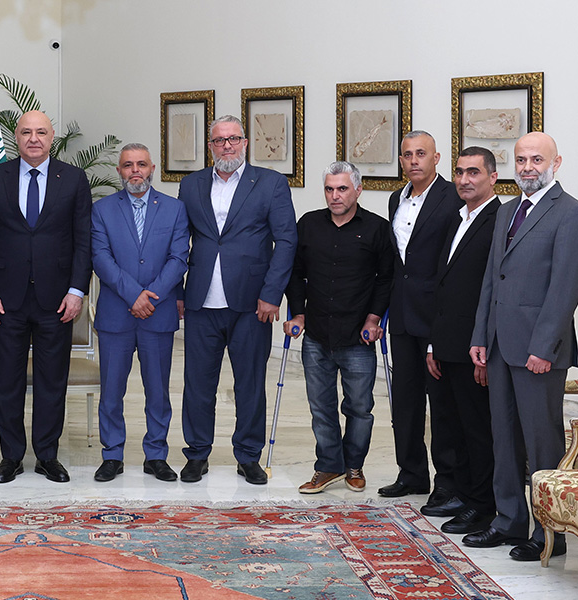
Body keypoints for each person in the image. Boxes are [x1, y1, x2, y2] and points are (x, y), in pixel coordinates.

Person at [466, 132, 578, 561]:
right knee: (504, 439)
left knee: (540, 441)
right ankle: (509, 520)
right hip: (499, 346)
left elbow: (565, 288)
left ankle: (549, 532)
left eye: (537, 159)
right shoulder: (507, 211)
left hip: (538, 351)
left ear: (556, 163)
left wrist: (544, 347)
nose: (528, 167)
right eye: (521, 160)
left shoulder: (568, 212)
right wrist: (480, 336)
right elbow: (491, 280)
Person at [176, 115, 297, 485]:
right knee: (198, 385)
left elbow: (286, 241)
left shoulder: (271, 183)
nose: (226, 146)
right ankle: (197, 453)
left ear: (245, 142)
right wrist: (178, 292)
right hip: (201, 302)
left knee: (249, 384)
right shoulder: (191, 184)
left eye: (233, 139)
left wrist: (271, 294)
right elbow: (178, 242)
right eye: (219, 140)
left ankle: (248, 456)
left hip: (252, 303)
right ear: (210, 146)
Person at [0, 110, 92, 484]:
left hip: (56, 299)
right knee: (7, 381)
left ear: (51, 137)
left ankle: (47, 455)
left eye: (41, 132)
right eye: (26, 132)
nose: (34, 139)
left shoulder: (73, 179)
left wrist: (76, 290)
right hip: (5, 298)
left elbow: (83, 240)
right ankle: (11, 456)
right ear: (17, 137)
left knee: (51, 381)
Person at [285, 161, 393, 494]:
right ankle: (329, 465)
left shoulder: (376, 228)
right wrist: (298, 314)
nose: (335, 196)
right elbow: (295, 273)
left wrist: (374, 319)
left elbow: (386, 278)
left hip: (357, 336)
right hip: (317, 333)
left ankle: (354, 465)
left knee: (359, 408)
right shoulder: (309, 224)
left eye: (342, 189)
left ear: (358, 190)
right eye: (329, 189)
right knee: (321, 407)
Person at [89, 143, 188, 483]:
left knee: (157, 391)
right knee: (111, 391)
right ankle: (112, 455)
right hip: (116, 314)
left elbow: (179, 259)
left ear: (152, 169)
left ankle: (156, 455)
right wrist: (134, 295)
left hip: (157, 315)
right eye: (128, 165)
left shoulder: (174, 209)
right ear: (119, 171)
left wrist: (151, 297)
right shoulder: (102, 209)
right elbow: (101, 258)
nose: (135, 171)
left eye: (141, 164)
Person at [379, 131, 462, 511]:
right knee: (405, 401)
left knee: (442, 404)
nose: (414, 161)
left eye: (421, 154)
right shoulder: (396, 198)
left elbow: (450, 264)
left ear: (436, 158)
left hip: (436, 317)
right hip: (402, 315)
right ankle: (411, 472)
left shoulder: (452, 198)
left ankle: (447, 482)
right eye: (407, 155)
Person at [424, 146, 500, 534]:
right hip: (447, 344)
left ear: (493, 178)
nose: (464, 180)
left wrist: (484, 347)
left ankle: (482, 505)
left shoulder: (500, 220)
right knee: (451, 426)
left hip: (475, 347)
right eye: (459, 172)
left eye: (473, 172)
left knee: (478, 430)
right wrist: (433, 344)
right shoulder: (457, 218)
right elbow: (444, 286)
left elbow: (493, 292)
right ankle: (462, 495)